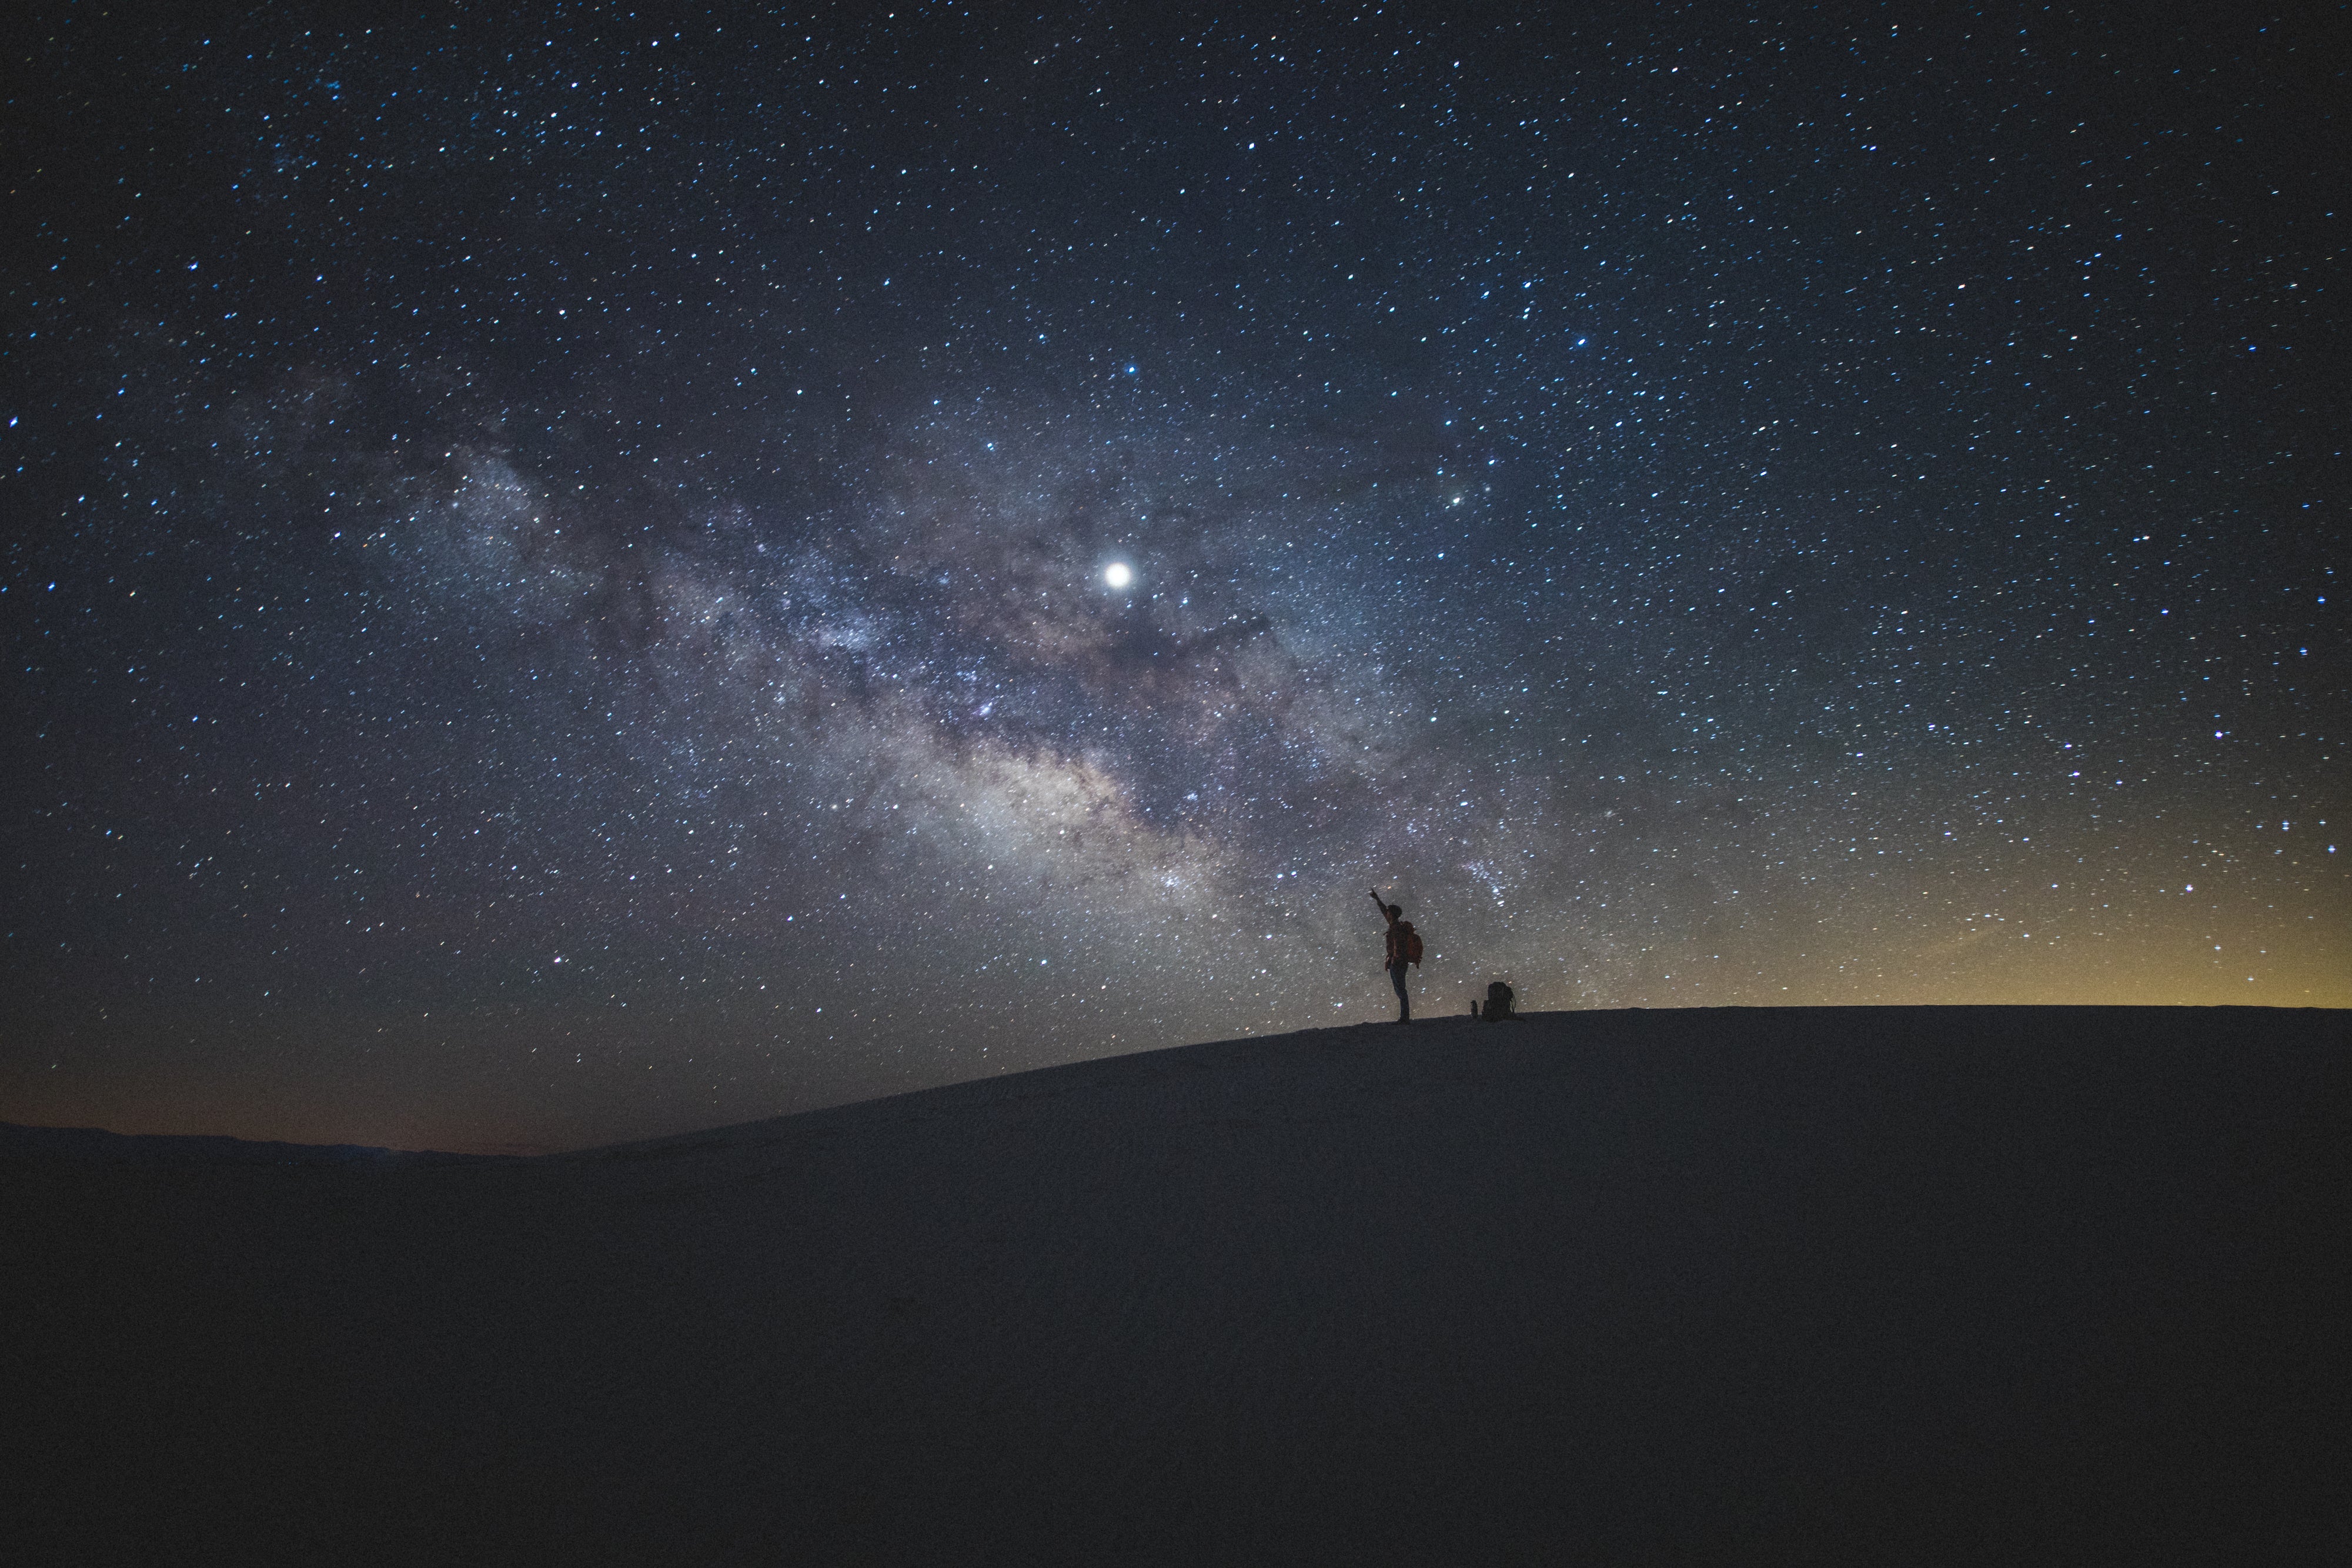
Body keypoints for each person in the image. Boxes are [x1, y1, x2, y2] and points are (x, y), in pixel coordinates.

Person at [1368, 888, 1419, 1024]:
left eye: (1389, 912)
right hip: (1398, 962)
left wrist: (1395, 960)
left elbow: (1399, 945)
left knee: (1401, 990)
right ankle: (1404, 1017)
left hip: (1398, 963)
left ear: (1393, 914)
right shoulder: (1394, 924)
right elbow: (1384, 911)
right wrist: (1377, 899)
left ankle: (1404, 1018)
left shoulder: (1396, 927)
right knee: (1400, 990)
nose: (1387, 913)